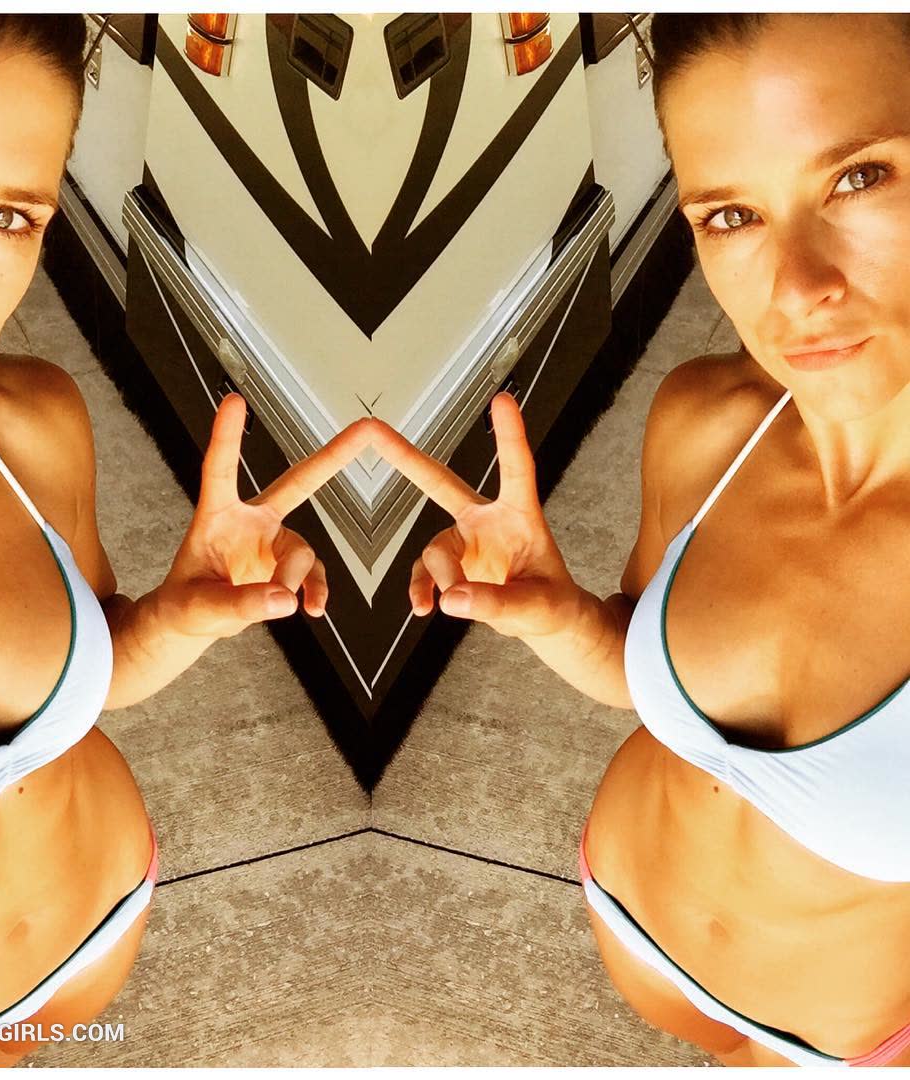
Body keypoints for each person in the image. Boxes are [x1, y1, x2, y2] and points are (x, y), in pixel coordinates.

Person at [370, 12, 910, 1068]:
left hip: (829, 1034)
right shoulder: (703, 423)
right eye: (732, 215)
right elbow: (646, 670)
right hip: (627, 912)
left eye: (860, 178)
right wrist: (565, 621)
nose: (795, 287)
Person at [0, 14, 371, 1068]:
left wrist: (172, 622)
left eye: (4, 216)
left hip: (109, 918)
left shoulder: (32, 425)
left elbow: (90, 668)